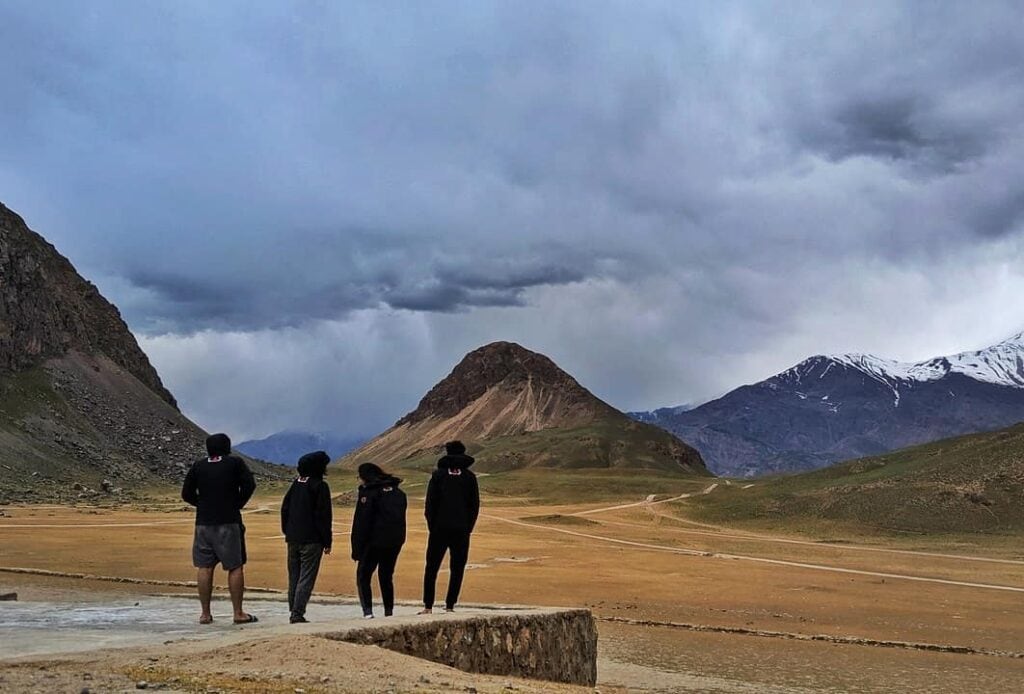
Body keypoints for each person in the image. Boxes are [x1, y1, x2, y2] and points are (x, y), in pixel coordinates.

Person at [181, 433, 257, 625]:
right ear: (227, 447)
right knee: (235, 566)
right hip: (228, 521)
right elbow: (249, 484)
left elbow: (186, 493)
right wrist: (237, 503)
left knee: (204, 566)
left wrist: (202, 504)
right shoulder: (235, 463)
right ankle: (238, 613)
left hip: (203, 524)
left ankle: (205, 614)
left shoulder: (199, 465)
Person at [420, 440, 479, 614]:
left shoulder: (438, 475)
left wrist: (433, 525)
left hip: (439, 528)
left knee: (431, 566)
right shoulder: (469, 477)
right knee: (457, 567)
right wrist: (468, 527)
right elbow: (474, 505)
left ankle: (428, 606)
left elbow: (430, 504)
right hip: (461, 529)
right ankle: (450, 605)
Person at [280, 450, 333, 624]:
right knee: (306, 577)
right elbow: (323, 516)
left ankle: (293, 609)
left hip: (293, 538)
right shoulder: (320, 486)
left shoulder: (297, 483)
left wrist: (287, 531)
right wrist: (327, 540)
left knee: (293, 576)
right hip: (312, 540)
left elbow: (285, 508)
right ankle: (297, 613)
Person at [350, 462, 407, 619]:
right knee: (386, 575)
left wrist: (356, 549)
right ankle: (388, 611)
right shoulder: (398, 492)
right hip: (394, 541)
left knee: (363, 575)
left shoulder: (368, 493)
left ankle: (368, 611)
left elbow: (361, 522)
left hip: (373, 541)